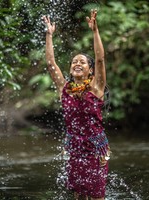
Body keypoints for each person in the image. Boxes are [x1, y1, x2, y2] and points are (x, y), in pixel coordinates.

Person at [43, 9, 111, 200]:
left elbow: (100, 58)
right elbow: (50, 64)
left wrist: (95, 31)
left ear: (90, 71)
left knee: (97, 196)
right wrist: (49, 34)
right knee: (78, 195)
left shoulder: (96, 87)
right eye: (74, 62)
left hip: (97, 148)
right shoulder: (64, 89)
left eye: (82, 62)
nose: (77, 64)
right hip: (75, 147)